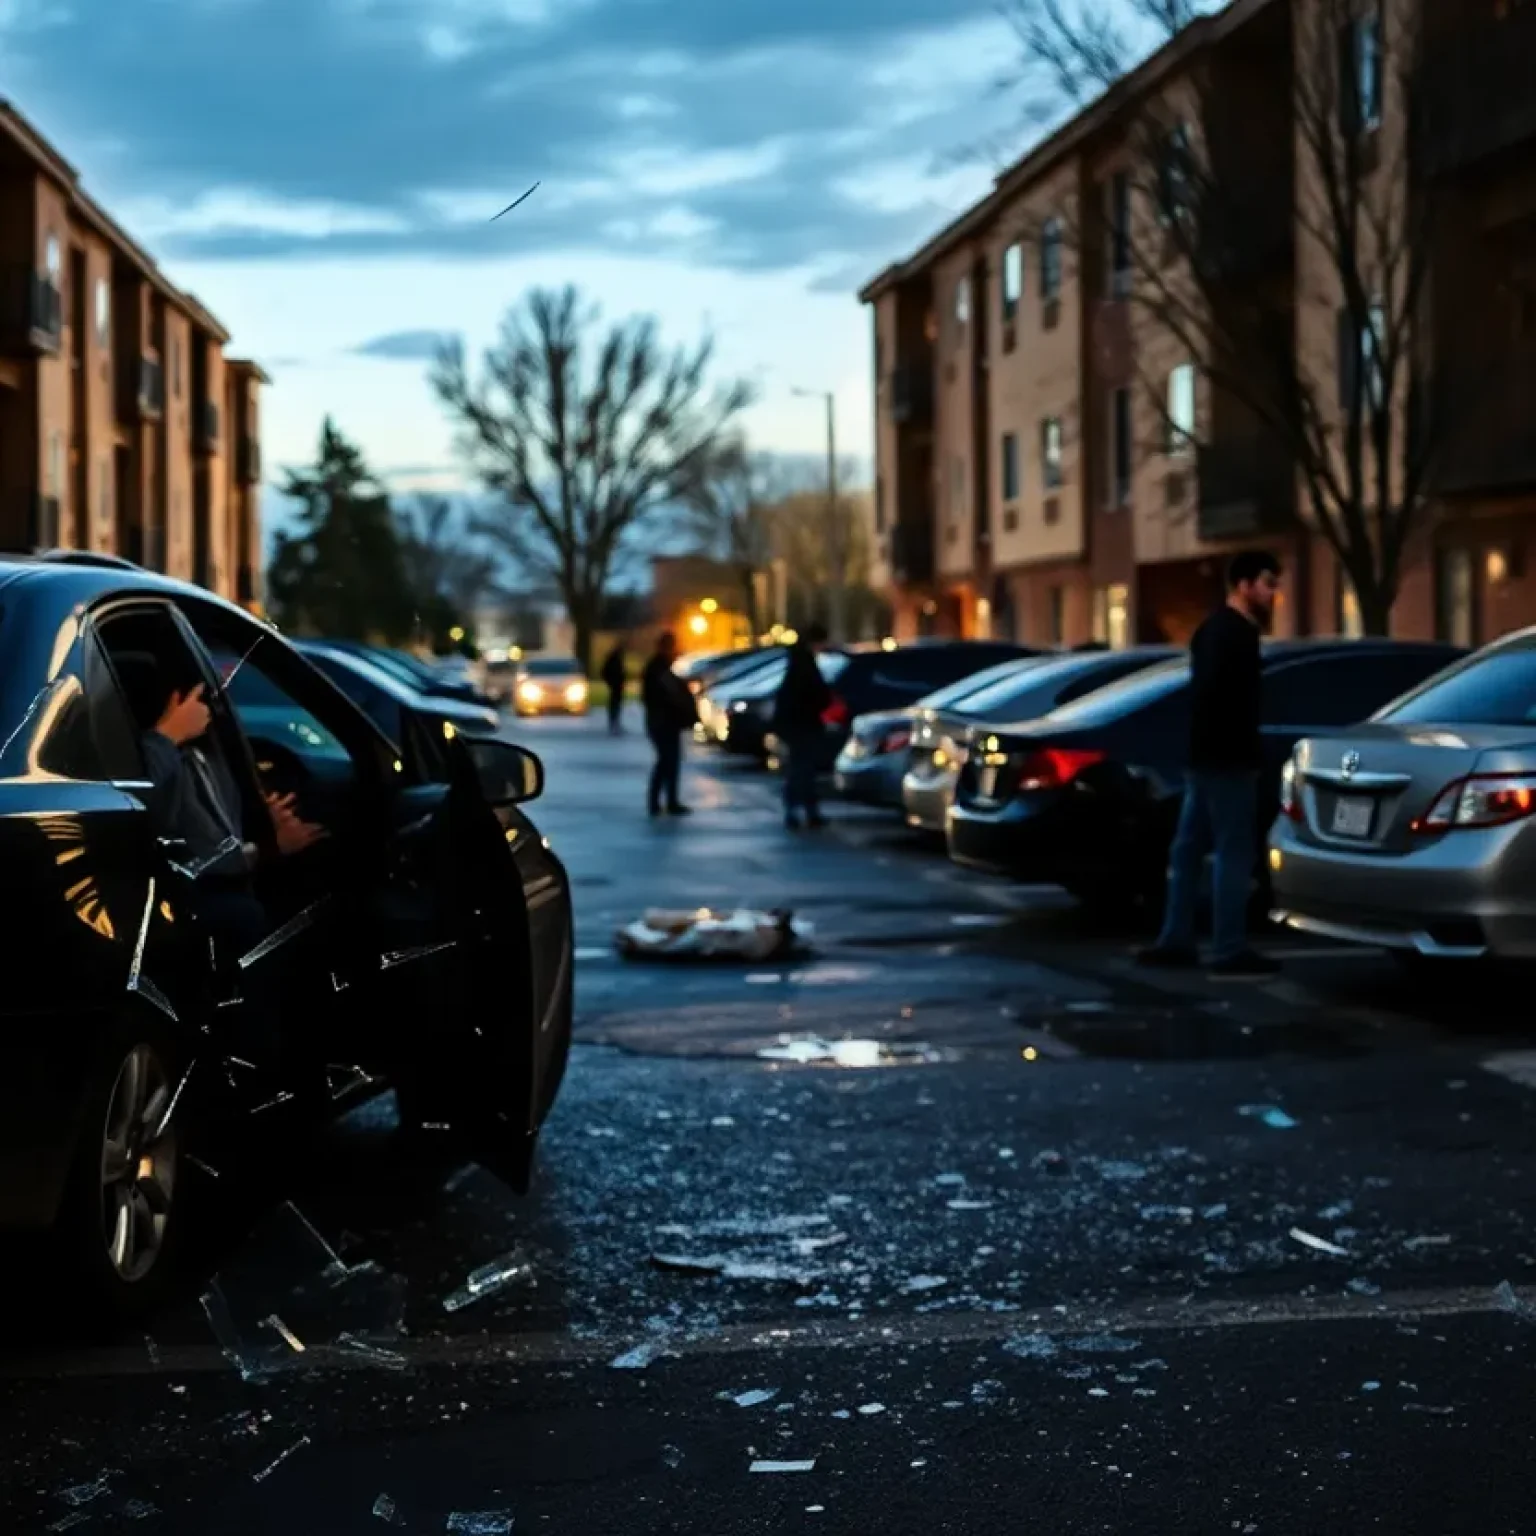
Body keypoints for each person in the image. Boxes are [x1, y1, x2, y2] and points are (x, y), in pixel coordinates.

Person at [117, 652, 327, 1081]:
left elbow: (219, 839)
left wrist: (266, 837)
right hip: (190, 908)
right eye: (197, 695)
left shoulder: (207, 754)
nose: (209, 705)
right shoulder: (148, 756)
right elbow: (149, 825)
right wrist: (165, 738)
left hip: (231, 893)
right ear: (175, 699)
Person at [1137, 551, 1281, 979]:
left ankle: (1176, 939)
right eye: (1267, 583)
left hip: (1201, 759)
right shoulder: (1237, 635)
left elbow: (1201, 698)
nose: (1273, 594)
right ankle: (1227, 947)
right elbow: (1230, 702)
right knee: (1233, 854)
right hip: (1229, 761)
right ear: (1244, 585)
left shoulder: (1208, 631)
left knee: (1188, 851)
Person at [772, 622, 832, 831]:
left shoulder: (797, 663)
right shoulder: (805, 665)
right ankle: (802, 810)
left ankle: (802, 810)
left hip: (796, 723)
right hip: (803, 723)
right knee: (803, 769)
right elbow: (813, 694)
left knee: (800, 768)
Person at [641, 630, 696, 816]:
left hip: (663, 722)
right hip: (663, 723)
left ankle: (664, 801)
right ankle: (662, 802)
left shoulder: (659, 668)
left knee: (668, 762)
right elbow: (666, 696)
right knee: (667, 762)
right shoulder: (659, 669)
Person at [600, 640, 627, 734]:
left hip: (617, 685)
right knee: (614, 704)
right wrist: (611, 681)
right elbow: (605, 671)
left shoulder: (616, 658)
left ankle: (615, 723)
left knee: (616, 704)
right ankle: (613, 723)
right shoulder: (614, 659)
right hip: (615, 685)